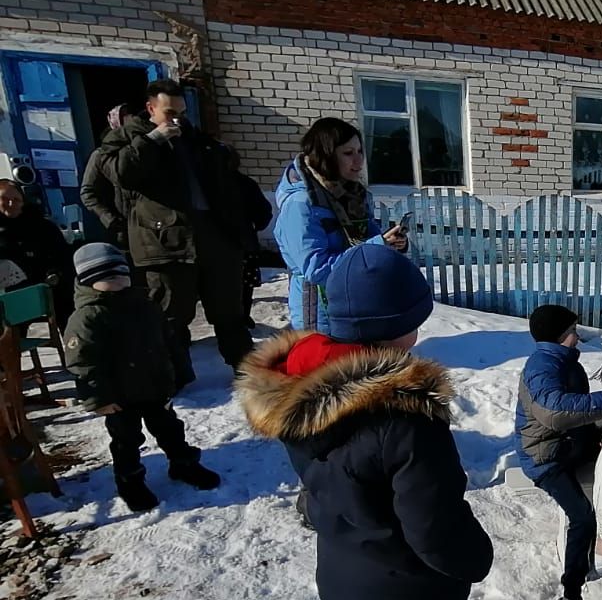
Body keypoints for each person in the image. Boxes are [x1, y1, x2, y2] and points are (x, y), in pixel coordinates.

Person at [238, 242, 491, 600]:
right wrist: (476, 558)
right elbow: (435, 528)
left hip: (346, 580)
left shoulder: (303, 389)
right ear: (397, 328)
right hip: (403, 597)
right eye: (414, 322)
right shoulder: (405, 416)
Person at [96, 79, 255, 384]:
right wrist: (153, 139)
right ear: (150, 108)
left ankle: (248, 371)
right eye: (169, 112)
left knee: (229, 313)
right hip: (164, 243)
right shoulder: (126, 139)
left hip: (213, 238)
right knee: (171, 317)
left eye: (181, 112)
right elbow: (120, 174)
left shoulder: (194, 138)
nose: (176, 119)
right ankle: (174, 376)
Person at [63, 243, 221, 513]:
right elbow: (83, 363)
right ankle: (130, 481)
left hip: (155, 387)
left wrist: (179, 374)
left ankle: (183, 464)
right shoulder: (87, 317)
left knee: (170, 429)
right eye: (107, 278)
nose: (117, 281)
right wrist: (98, 398)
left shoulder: (145, 304)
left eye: (121, 275)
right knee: (126, 441)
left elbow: (169, 342)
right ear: (89, 282)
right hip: (119, 397)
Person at [515, 304, 602, 600]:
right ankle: (570, 599)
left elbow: (577, 410)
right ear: (562, 334)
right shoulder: (542, 365)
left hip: (570, 447)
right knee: (583, 515)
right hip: (546, 459)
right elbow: (556, 412)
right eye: (574, 328)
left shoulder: (564, 360)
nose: (579, 333)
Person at [273, 117, 409, 335]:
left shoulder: (352, 195)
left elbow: (367, 235)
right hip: (321, 315)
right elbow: (316, 269)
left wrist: (392, 243)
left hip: (354, 304)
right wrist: (377, 245)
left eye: (359, 151)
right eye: (348, 153)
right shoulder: (301, 205)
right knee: (331, 368)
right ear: (326, 156)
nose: (359, 161)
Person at [0, 176, 75, 329]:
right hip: (8, 293)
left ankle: (73, 342)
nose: (10, 203)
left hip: (43, 285)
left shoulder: (41, 226)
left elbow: (62, 257)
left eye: (16, 199)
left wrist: (54, 273)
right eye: (4, 199)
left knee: (65, 293)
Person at [221, 145, 273, 328]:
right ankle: (242, 316)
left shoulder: (206, 184)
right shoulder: (245, 183)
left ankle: (231, 321)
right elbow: (264, 213)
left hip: (217, 246)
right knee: (245, 284)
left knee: (222, 284)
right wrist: (254, 227)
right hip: (244, 243)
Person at [81, 103, 132, 247]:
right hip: (121, 231)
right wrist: (109, 219)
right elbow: (87, 193)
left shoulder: (143, 149)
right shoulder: (101, 155)